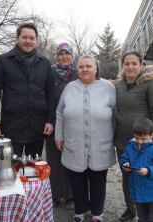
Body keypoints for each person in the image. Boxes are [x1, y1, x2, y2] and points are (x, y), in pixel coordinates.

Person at [55, 55, 116, 222]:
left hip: (100, 144)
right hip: (74, 143)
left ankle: (97, 212)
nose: (84, 69)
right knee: (77, 179)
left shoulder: (108, 88)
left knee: (98, 180)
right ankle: (80, 210)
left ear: (96, 68)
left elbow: (117, 114)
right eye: (81, 67)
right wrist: (59, 136)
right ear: (77, 69)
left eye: (88, 66)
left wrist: (116, 140)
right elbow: (60, 112)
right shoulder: (70, 88)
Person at [0, 22, 55, 158]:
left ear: (36, 40)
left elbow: (50, 94)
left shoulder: (44, 63)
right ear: (17, 39)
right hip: (12, 126)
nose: (28, 41)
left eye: (31, 38)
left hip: (37, 126)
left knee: (33, 169)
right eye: (24, 37)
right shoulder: (3, 60)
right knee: (10, 170)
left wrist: (50, 120)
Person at [114, 51, 153, 222]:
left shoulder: (151, 84)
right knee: (127, 174)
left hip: (144, 143)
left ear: (141, 65)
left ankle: (149, 213)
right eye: (126, 63)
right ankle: (131, 209)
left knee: (146, 175)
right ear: (123, 65)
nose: (130, 67)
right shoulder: (119, 85)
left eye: (134, 63)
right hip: (124, 142)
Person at [45, 43, 77, 210]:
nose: (64, 57)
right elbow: (46, 97)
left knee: (71, 159)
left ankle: (70, 196)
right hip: (53, 122)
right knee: (54, 160)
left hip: (74, 124)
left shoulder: (79, 72)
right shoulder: (50, 72)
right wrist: (48, 120)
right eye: (61, 53)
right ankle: (55, 194)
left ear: (72, 55)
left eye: (67, 53)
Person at [119, 117, 153, 222]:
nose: (140, 141)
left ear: (152, 135)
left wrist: (149, 171)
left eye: (143, 139)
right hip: (137, 191)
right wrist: (124, 164)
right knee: (142, 217)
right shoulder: (130, 146)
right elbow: (124, 158)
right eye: (137, 138)